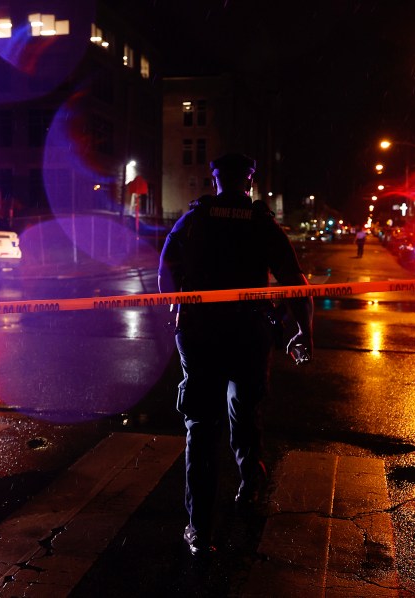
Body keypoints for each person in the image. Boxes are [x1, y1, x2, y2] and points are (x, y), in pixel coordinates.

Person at [158, 152, 314, 556]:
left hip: (201, 334)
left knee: (201, 428)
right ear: (249, 181)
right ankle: (249, 486)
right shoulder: (261, 223)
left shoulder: (195, 219)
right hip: (248, 334)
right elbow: (295, 281)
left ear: (214, 180)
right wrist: (304, 331)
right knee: (244, 413)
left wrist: (175, 308)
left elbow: (165, 269)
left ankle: (199, 530)